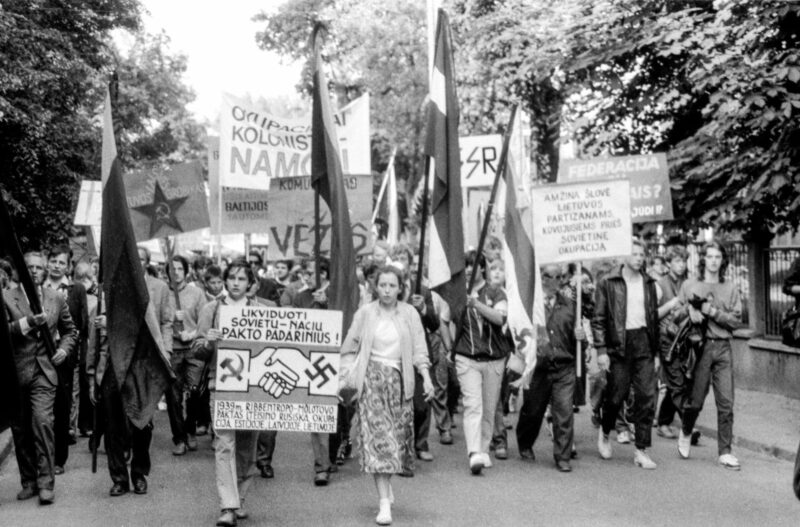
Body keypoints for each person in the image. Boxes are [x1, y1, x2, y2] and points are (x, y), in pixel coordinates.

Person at [340, 265, 434, 526]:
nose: (387, 290)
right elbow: (349, 345)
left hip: (400, 383)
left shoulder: (410, 314)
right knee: (378, 440)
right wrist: (343, 378)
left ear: (400, 287)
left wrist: (426, 377)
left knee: (397, 440)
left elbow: (419, 348)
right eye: (383, 285)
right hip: (371, 382)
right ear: (375, 286)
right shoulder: (365, 313)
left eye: (392, 285)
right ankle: (383, 503)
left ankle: (386, 486)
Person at [87, 246, 172, 497]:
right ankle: (119, 478)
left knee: (142, 424)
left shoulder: (143, 299)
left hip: (139, 367)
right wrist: (92, 376)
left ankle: (139, 472)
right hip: (111, 368)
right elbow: (94, 342)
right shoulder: (104, 298)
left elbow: (153, 332)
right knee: (113, 426)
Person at [193, 259, 268, 526]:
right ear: (225, 281)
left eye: (241, 279)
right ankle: (227, 505)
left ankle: (240, 499)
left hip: (253, 388)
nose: (236, 283)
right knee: (224, 444)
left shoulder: (260, 311)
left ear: (250, 284)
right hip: (221, 385)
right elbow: (197, 349)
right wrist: (208, 341)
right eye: (232, 278)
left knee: (247, 446)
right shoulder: (212, 309)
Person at [4, 252, 76, 504]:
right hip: (15, 373)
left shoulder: (55, 297)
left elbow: (70, 330)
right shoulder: (6, 297)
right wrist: (26, 323)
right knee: (20, 428)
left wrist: (64, 350)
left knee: (42, 422)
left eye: (38, 267)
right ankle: (29, 481)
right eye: (28, 267)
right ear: (17, 270)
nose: (34, 271)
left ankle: (46, 483)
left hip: (45, 372)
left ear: (45, 270)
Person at [673, 241, 743, 469]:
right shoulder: (690, 284)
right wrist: (690, 311)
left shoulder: (730, 288)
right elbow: (675, 315)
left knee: (726, 402)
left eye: (718, 257)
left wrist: (712, 312)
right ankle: (685, 429)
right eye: (710, 256)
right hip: (699, 348)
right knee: (695, 401)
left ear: (723, 261)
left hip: (723, 347)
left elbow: (736, 321)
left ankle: (725, 451)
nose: (714, 261)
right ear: (703, 259)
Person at [592, 240, 660, 469]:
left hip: (644, 343)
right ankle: (605, 428)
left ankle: (641, 449)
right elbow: (599, 318)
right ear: (624, 256)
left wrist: (656, 351)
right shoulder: (609, 282)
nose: (639, 258)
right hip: (619, 344)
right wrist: (601, 350)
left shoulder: (649, 283)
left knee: (646, 397)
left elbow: (653, 319)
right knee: (616, 395)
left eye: (642, 254)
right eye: (634, 253)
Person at [516, 264, 584, 472]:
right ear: (541, 278)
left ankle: (562, 455)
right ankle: (525, 442)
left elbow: (579, 338)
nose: (554, 281)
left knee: (564, 412)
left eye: (558, 277)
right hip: (539, 366)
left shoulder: (571, 305)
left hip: (564, 366)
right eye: (549, 276)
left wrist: (581, 336)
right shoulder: (532, 305)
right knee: (533, 411)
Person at [453, 251, 510, 475]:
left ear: (482, 268)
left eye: (473, 265)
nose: (469, 269)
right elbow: (446, 320)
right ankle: (473, 452)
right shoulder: (457, 294)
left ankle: (484, 449)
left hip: (494, 358)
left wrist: (475, 304)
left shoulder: (496, 292)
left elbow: (500, 318)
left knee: (488, 407)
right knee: (472, 405)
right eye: (465, 265)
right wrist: (452, 348)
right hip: (467, 358)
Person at [44, 244, 88, 474]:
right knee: (41, 409)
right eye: (54, 261)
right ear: (47, 262)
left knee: (61, 406)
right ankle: (42, 456)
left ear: (68, 266)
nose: (57, 266)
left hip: (64, 356)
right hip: (39, 355)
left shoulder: (76, 290)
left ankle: (59, 458)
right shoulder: (37, 288)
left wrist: (69, 350)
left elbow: (80, 326)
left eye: (62, 262)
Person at [165, 255, 207, 456]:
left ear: (186, 271)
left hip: (193, 350)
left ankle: (191, 429)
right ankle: (179, 437)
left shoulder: (196, 293)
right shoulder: (164, 293)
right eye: (172, 269)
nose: (176, 273)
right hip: (172, 350)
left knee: (195, 392)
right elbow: (156, 319)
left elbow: (206, 320)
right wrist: (172, 320)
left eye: (180, 269)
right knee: (173, 396)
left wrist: (191, 333)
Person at [655, 246, 689, 439]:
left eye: (683, 261)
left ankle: (663, 422)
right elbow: (652, 315)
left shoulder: (687, 283)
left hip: (684, 340)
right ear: (668, 264)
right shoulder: (660, 285)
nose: (681, 265)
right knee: (677, 383)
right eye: (677, 261)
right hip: (666, 340)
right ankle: (688, 426)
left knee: (678, 382)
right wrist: (670, 305)